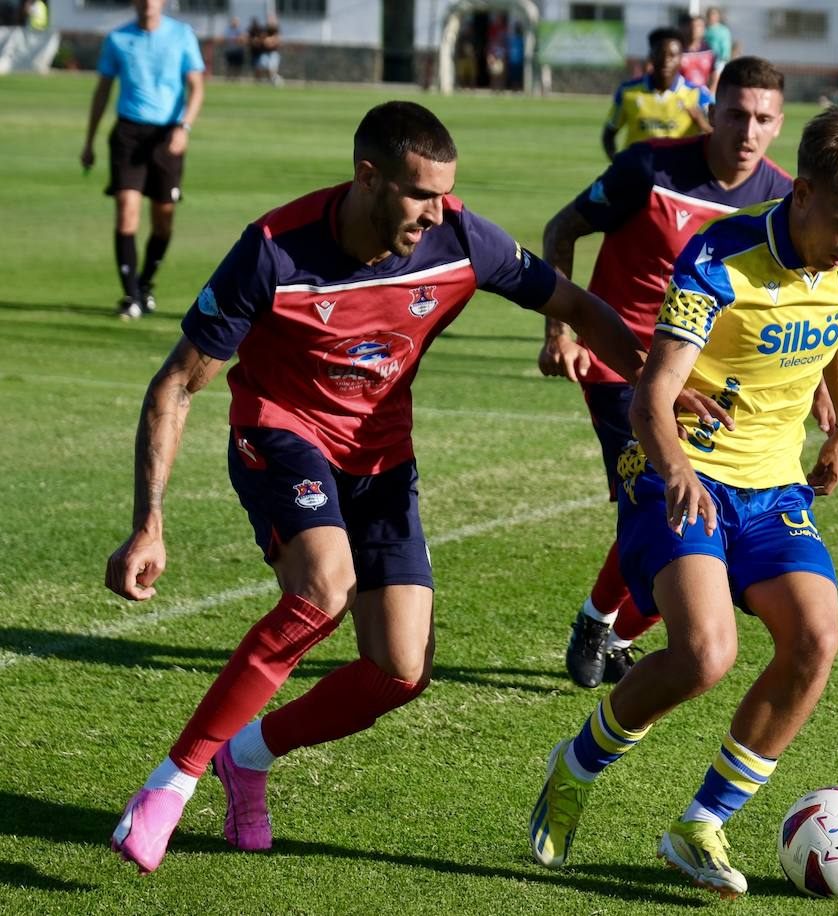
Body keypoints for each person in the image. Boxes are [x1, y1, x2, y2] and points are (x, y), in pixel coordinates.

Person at [104, 100, 648, 875]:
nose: (437, 212)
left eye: (445, 194)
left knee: (398, 670)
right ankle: (171, 783)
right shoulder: (274, 249)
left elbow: (579, 305)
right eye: (421, 194)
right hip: (281, 433)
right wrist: (148, 522)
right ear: (368, 177)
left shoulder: (461, 238)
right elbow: (177, 386)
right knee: (323, 589)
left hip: (383, 459)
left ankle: (246, 758)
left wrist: (653, 391)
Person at [528, 103, 838, 898]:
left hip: (773, 486)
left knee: (816, 639)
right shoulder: (720, 257)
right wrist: (676, 472)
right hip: (679, 468)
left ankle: (699, 823)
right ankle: (575, 766)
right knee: (705, 655)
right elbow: (651, 396)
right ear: (801, 191)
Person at [543, 56, 808, 690]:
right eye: (737, 114)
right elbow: (562, 228)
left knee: (691, 508)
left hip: (712, 380)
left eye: (762, 119)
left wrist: (826, 391)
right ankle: (601, 626)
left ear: (778, 125)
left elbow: (808, 290)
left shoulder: (783, 197)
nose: (747, 130)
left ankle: (607, 627)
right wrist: (562, 331)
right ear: (711, 113)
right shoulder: (649, 168)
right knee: (667, 497)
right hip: (623, 365)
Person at [80, 0, 204, 321]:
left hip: (167, 136)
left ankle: (145, 283)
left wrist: (184, 128)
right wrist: (89, 141)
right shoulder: (117, 39)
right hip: (127, 134)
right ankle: (130, 295)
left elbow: (196, 87)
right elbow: (102, 91)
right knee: (126, 212)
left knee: (163, 220)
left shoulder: (181, 35)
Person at [602, 27, 713, 161]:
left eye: (672, 55)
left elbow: (722, 136)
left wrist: (703, 123)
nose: (666, 60)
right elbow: (609, 134)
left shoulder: (698, 94)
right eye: (660, 54)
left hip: (677, 177)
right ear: (651, 57)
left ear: (681, 59)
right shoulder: (628, 92)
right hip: (638, 175)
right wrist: (619, 165)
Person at [679, 14, 714, 89]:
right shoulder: (677, 50)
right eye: (691, 26)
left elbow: (714, 73)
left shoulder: (708, 50)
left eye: (698, 26)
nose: (694, 29)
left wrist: (710, 92)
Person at [703, 7, 732, 94]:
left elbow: (726, 45)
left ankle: (711, 98)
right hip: (706, 59)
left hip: (719, 60)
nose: (712, 17)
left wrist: (724, 57)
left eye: (714, 14)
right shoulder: (704, 29)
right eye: (710, 14)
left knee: (715, 80)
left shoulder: (723, 30)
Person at [253, 14, 281, 85]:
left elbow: (274, 41)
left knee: (272, 68)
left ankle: (274, 81)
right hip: (264, 52)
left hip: (273, 53)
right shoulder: (265, 29)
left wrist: (268, 40)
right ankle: (258, 83)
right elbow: (261, 41)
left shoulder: (276, 29)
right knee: (259, 67)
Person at [506, 22, 526, 92]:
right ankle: (513, 88)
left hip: (519, 60)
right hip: (512, 60)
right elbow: (508, 49)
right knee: (513, 75)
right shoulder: (512, 39)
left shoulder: (522, 39)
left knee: (518, 75)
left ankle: (518, 88)